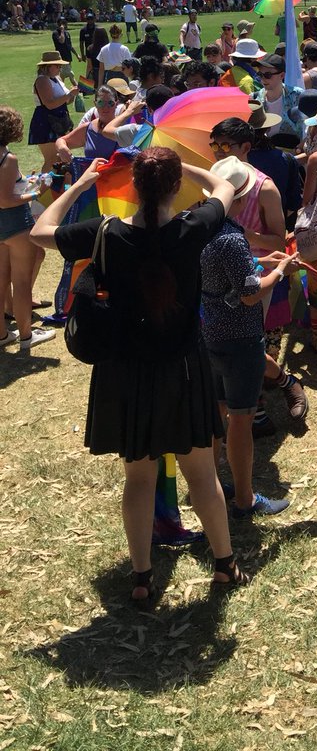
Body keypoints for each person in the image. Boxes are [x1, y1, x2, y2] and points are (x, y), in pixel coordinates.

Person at [31, 149, 249, 602]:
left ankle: (142, 578)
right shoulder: (195, 226)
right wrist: (182, 165)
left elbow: (39, 231)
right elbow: (225, 185)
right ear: (174, 188)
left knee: (139, 479)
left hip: (126, 372)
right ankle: (225, 565)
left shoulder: (105, 233)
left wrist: (85, 182)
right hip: (184, 369)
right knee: (203, 476)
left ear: (133, 186)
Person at [201, 156, 304, 517]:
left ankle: (211, 484)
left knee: (216, 412)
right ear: (242, 199)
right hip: (239, 336)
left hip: (208, 330)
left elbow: (223, 274)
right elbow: (248, 293)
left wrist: (262, 263)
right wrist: (281, 271)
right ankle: (245, 499)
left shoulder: (200, 227)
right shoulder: (231, 238)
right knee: (241, 420)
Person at [0, 107, 55, 351]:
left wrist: (24, 183)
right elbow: (5, 200)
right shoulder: (7, 159)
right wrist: (36, 192)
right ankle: (25, 336)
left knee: (1, 281)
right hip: (14, 225)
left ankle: (2, 335)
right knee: (21, 282)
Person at [28, 51, 78, 170]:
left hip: (60, 120)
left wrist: (73, 95)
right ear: (47, 67)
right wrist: (69, 94)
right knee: (51, 160)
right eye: (57, 65)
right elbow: (49, 104)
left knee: (61, 159)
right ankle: (45, 188)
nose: (60, 68)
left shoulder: (56, 78)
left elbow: (64, 101)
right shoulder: (42, 80)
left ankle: (57, 188)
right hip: (46, 122)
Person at [53, 85, 122, 161]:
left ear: (116, 104)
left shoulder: (124, 127)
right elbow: (61, 141)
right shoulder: (88, 128)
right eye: (100, 103)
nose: (105, 107)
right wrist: (62, 148)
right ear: (95, 104)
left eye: (110, 103)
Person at [253, 53, 307, 142]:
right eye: (260, 74)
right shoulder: (255, 99)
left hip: (292, 153)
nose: (263, 79)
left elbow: (308, 128)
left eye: (268, 75)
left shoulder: (298, 96)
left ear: (282, 75)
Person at [52, 19, 81, 84]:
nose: (64, 24)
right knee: (70, 75)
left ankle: (61, 91)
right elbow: (62, 41)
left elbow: (70, 46)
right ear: (58, 24)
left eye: (64, 23)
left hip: (68, 58)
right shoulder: (55, 33)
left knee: (62, 78)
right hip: (61, 58)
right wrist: (62, 30)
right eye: (61, 23)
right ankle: (78, 90)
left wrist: (77, 55)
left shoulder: (67, 33)